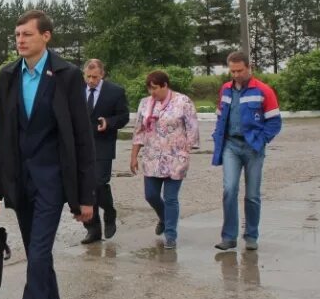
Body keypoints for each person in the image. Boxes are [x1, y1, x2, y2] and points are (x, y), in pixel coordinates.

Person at [0, 9, 95, 299]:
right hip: (21, 185)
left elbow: (82, 138)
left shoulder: (66, 76)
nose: (20, 40)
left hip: (52, 184)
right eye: (17, 34)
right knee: (39, 259)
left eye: (27, 34)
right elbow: (2, 134)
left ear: (46, 36)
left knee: (38, 258)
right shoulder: (8, 76)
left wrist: (85, 196)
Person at [211, 51, 282, 251]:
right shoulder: (225, 90)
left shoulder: (263, 90)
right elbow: (220, 116)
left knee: (252, 195)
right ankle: (229, 237)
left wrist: (261, 141)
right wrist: (218, 137)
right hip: (231, 146)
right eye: (232, 71)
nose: (235, 75)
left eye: (239, 70)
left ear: (249, 68)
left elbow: (275, 122)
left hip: (253, 148)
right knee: (229, 189)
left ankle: (251, 236)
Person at [129, 70, 199, 250]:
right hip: (152, 158)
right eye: (149, 89)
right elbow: (139, 131)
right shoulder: (145, 104)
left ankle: (170, 235)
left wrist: (186, 151)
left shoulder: (183, 102)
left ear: (165, 86)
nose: (152, 92)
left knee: (171, 198)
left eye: (155, 88)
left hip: (175, 158)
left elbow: (192, 128)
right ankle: (163, 217)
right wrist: (134, 156)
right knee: (150, 195)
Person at [80, 59, 130, 244]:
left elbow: (124, 117)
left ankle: (109, 212)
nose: (91, 80)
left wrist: (109, 122)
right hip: (80, 146)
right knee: (84, 187)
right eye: (88, 76)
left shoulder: (115, 92)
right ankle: (93, 229)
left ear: (102, 74)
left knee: (99, 183)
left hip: (103, 144)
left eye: (95, 77)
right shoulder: (76, 90)